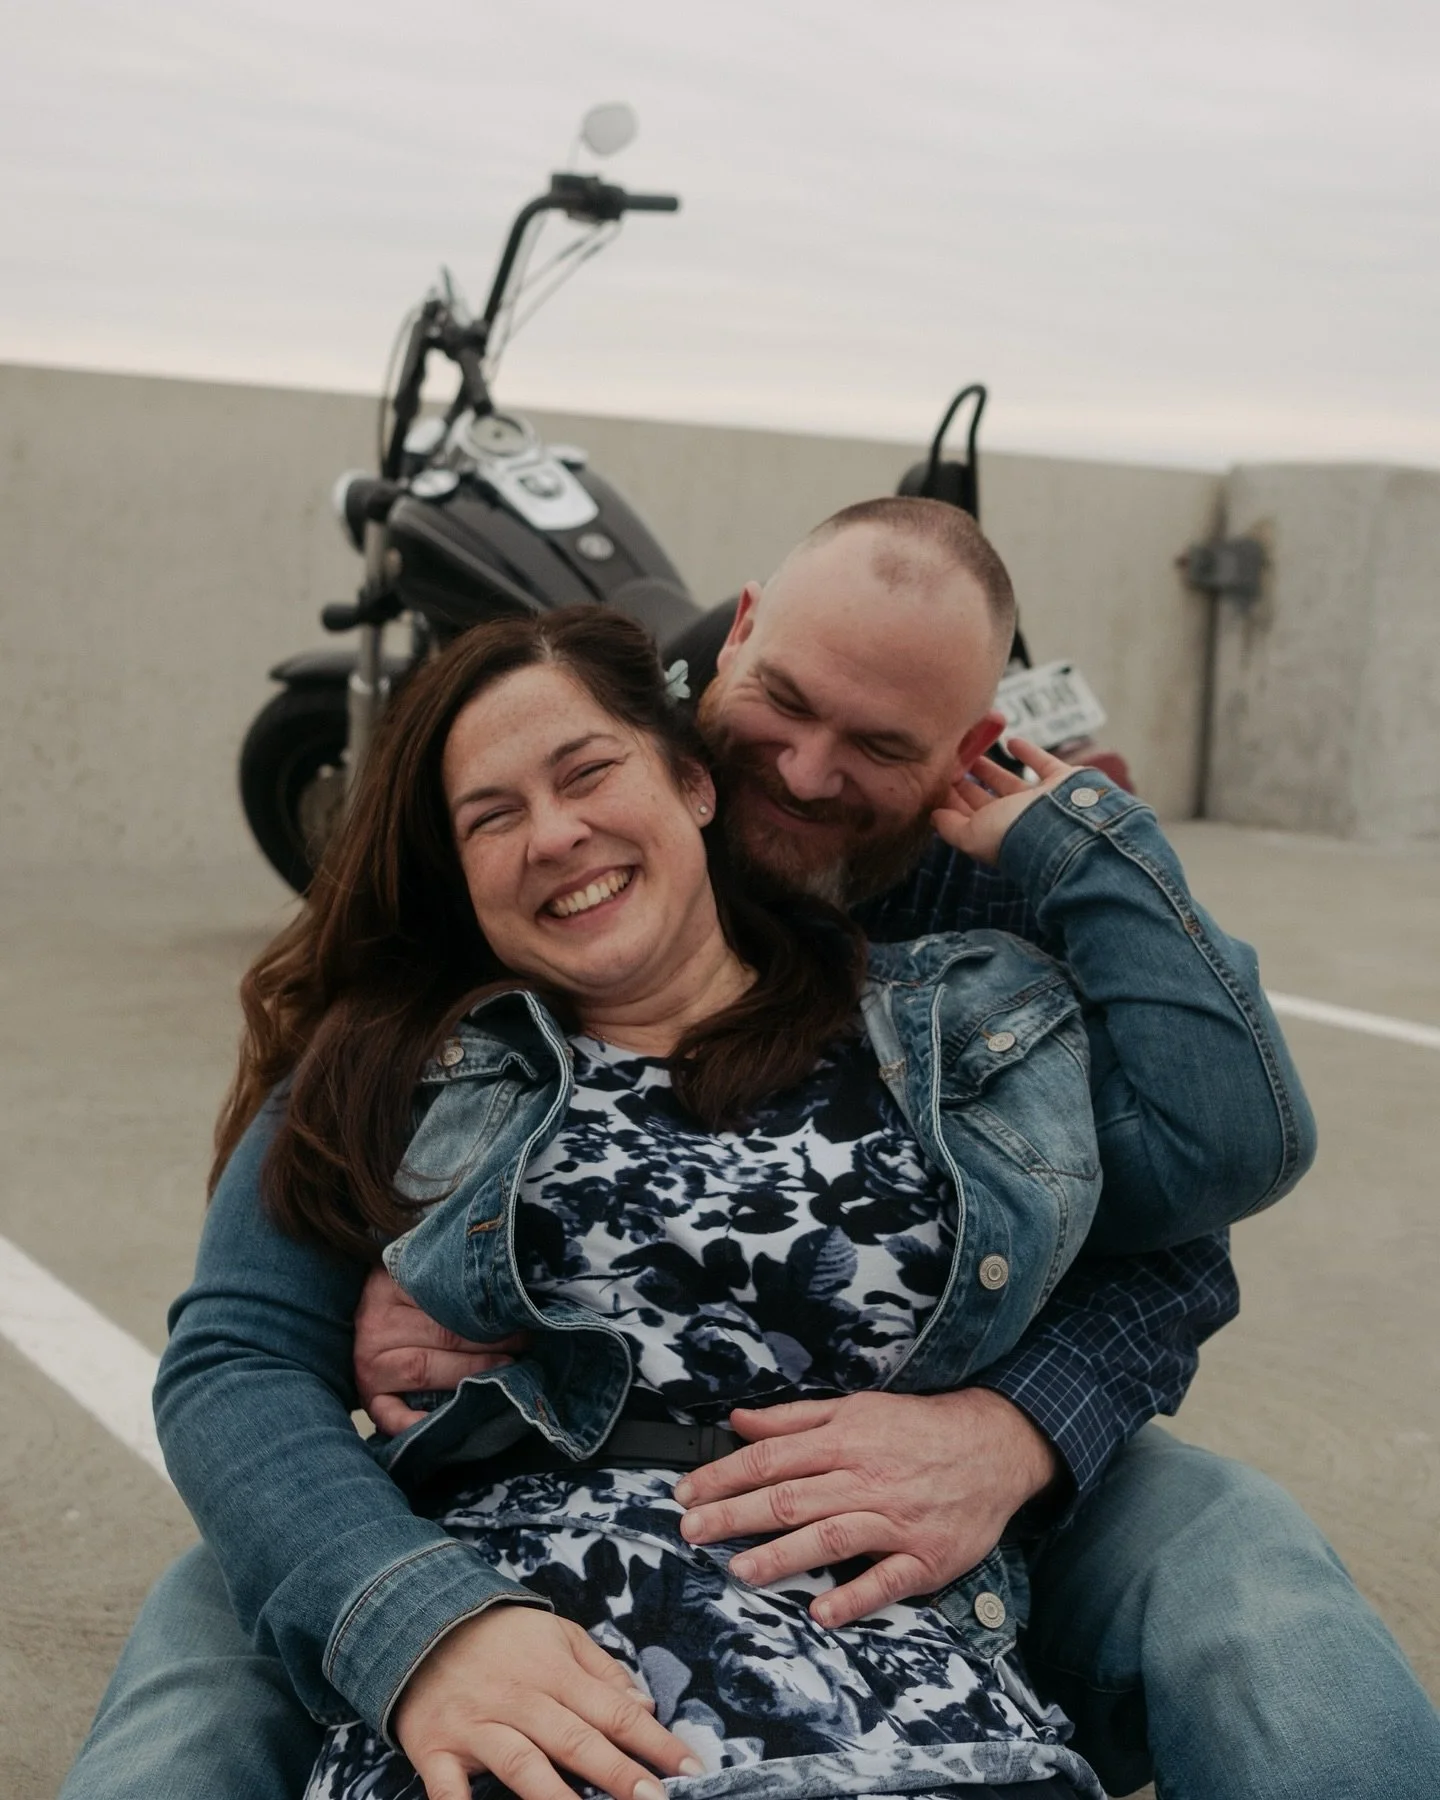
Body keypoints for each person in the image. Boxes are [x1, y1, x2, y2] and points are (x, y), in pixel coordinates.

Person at [56, 502, 1435, 1800]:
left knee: (1252, 1578)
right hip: (529, 1547)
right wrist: (405, 1604)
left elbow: (1197, 1194)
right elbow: (240, 1356)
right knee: (231, 1606)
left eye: (882, 748)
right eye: (781, 707)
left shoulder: (971, 977)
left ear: (966, 747)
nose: (807, 771)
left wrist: (1017, 1430)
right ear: (732, 662)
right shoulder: (413, 1042)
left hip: (921, 1547)